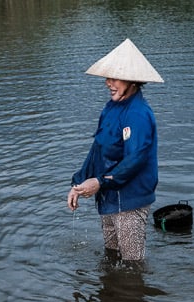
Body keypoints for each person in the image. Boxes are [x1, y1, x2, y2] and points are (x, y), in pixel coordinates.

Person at [67, 38, 164, 264]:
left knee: (131, 264)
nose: (108, 83)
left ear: (132, 81)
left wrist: (100, 182)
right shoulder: (111, 108)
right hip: (109, 194)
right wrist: (78, 183)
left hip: (130, 199)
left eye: (115, 78)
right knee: (112, 255)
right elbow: (97, 148)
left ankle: (131, 297)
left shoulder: (138, 113)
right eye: (107, 78)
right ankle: (112, 295)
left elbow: (136, 159)